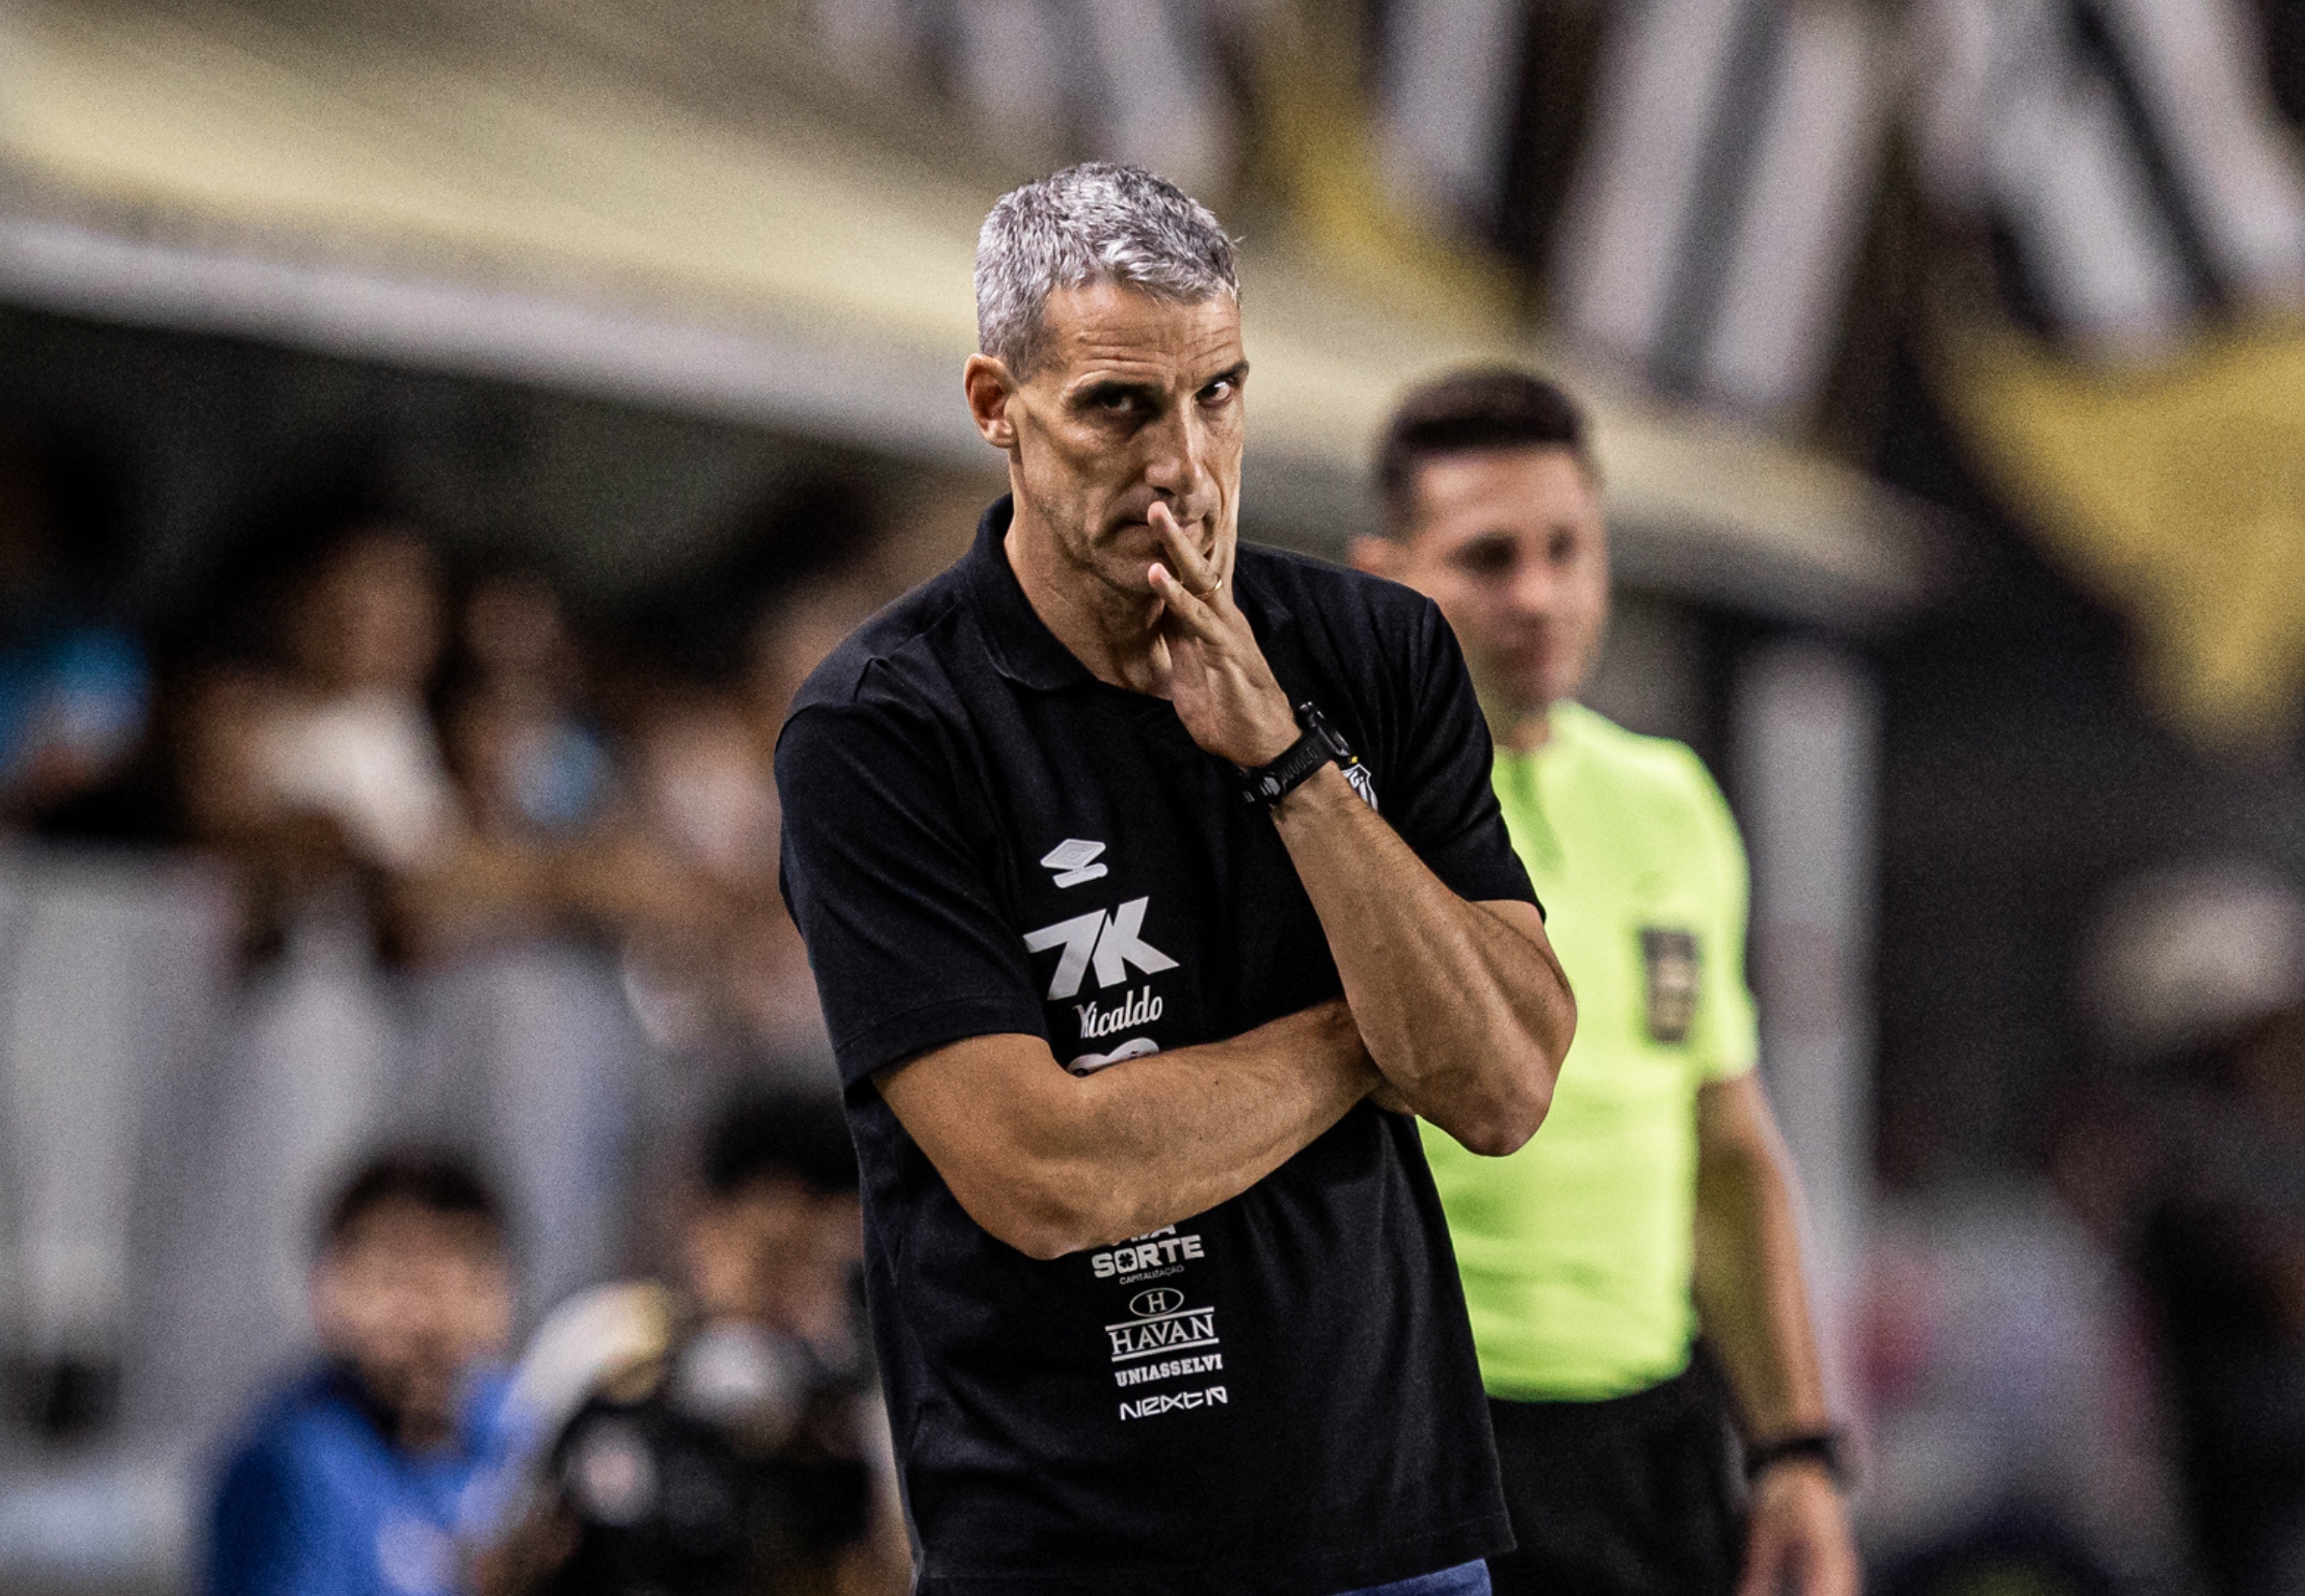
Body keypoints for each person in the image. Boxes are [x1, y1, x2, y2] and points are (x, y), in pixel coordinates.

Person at [773, 163, 1576, 1596]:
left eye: (1217, 394)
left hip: (1398, 1535)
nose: (1183, 465)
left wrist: (1286, 761)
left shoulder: (1376, 652)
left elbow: (1503, 1083)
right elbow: (1045, 1172)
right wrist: (1372, 1033)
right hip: (1071, 1551)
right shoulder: (880, 730)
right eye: (1118, 407)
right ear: (995, 406)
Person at [1352, 369, 1859, 1596]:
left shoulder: (1668, 801)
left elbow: (1725, 1151)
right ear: (1385, 575)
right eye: (1488, 557)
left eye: (1566, 550)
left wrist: (1795, 1449)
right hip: (1412, 1438)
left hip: (1651, 1441)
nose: (1537, 595)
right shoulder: (1332, 815)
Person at [477, 1088, 904, 1596]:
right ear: (704, 1226)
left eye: (823, 1269)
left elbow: (895, 1570)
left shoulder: (860, 1402)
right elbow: (495, 1547)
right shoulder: (610, 1342)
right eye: (773, 1259)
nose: (794, 1296)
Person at [207, 1149, 518, 1596]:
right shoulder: (290, 1470)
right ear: (327, 1289)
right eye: (398, 1280)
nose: (428, 1320)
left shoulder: (533, 1437)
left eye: (464, 1282)